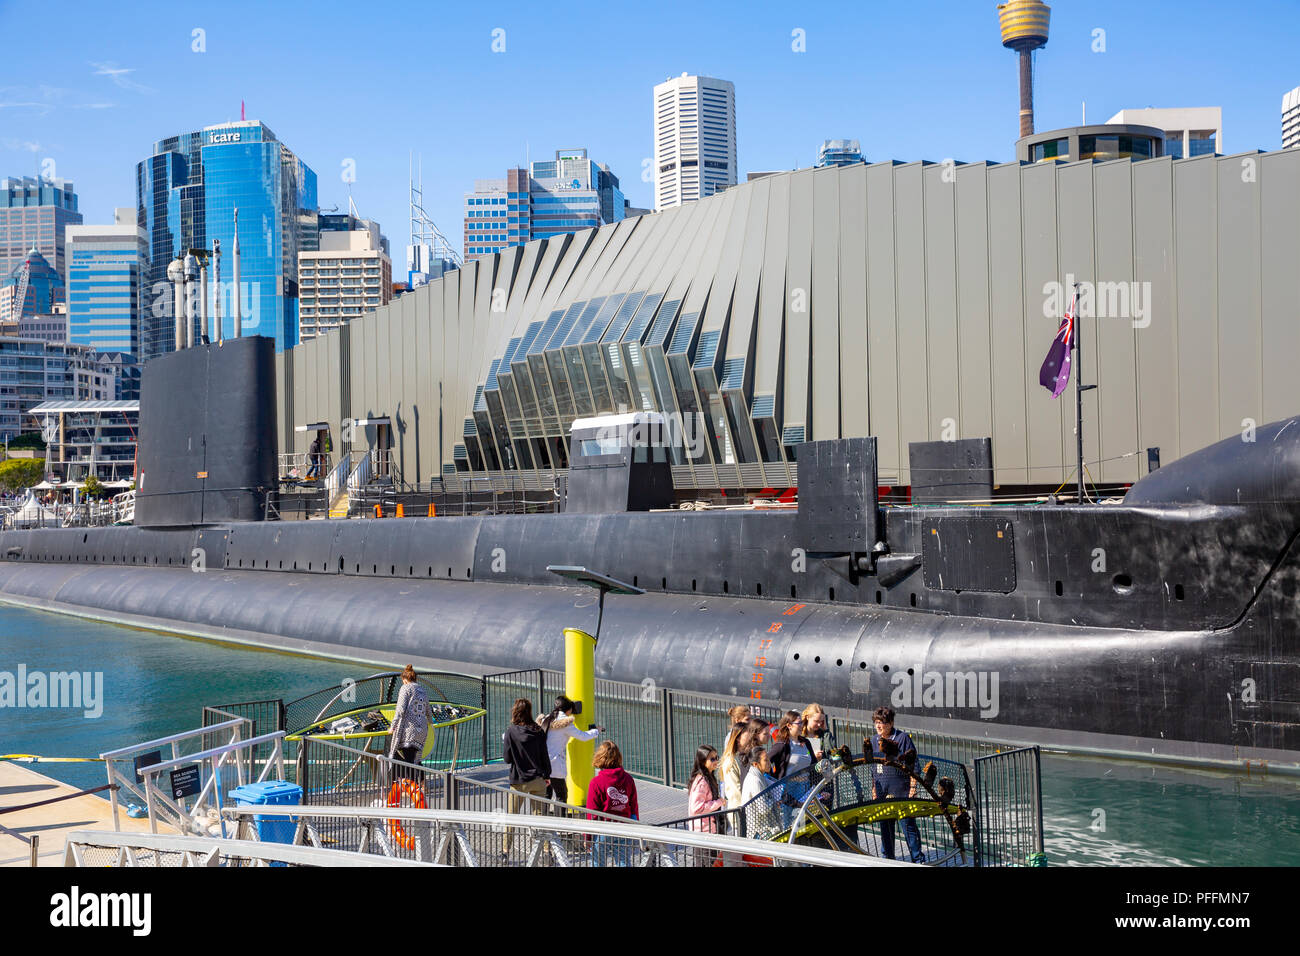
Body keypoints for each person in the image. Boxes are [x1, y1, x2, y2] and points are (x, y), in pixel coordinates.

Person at [868, 705, 924, 864]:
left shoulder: (902, 738)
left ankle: (918, 860)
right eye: (876, 722)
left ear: (891, 723)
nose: (879, 726)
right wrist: (874, 789)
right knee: (885, 829)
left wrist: (913, 788)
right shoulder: (873, 740)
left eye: (882, 722)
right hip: (882, 794)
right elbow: (874, 768)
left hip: (901, 793)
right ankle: (888, 860)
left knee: (908, 828)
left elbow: (914, 766)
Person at [501, 698, 551, 856]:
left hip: (518, 781)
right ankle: (546, 851)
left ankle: (505, 852)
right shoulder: (538, 731)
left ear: (515, 711)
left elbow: (507, 759)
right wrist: (547, 775)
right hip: (538, 780)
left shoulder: (511, 732)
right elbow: (545, 756)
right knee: (541, 818)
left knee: (511, 818)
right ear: (529, 712)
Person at [538, 695, 603, 805]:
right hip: (554, 765)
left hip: (542, 763)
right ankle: (560, 821)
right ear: (569, 710)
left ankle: (544, 819)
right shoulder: (565, 723)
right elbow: (582, 736)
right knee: (561, 795)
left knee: (546, 794)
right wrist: (596, 731)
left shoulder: (546, 719)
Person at [587, 741, 639, 866]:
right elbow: (633, 806)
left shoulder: (596, 782)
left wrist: (587, 836)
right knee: (623, 861)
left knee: (598, 862)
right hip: (623, 826)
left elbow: (592, 812)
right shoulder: (628, 778)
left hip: (602, 829)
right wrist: (636, 826)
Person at [768, 710, 817, 805]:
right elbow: (764, 762)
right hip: (788, 791)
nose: (802, 725)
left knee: (804, 819)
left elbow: (814, 764)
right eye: (799, 723)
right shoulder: (781, 745)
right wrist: (772, 780)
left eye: (802, 723)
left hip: (805, 788)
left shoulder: (806, 742)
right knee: (789, 819)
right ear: (789, 725)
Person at [688, 744, 726, 866]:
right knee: (709, 863)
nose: (716, 761)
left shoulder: (707, 777)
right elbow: (697, 808)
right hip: (704, 832)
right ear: (703, 761)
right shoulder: (702, 782)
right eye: (712, 759)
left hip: (705, 830)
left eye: (716, 757)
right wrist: (719, 802)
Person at [740, 746, 785, 839]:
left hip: (762, 829)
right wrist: (773, 800)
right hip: (758, 833)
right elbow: (763, 808)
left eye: (768, 759)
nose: (769, 763)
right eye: (766, 760)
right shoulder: (755, 780)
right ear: (756, 764)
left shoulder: (760, 776)